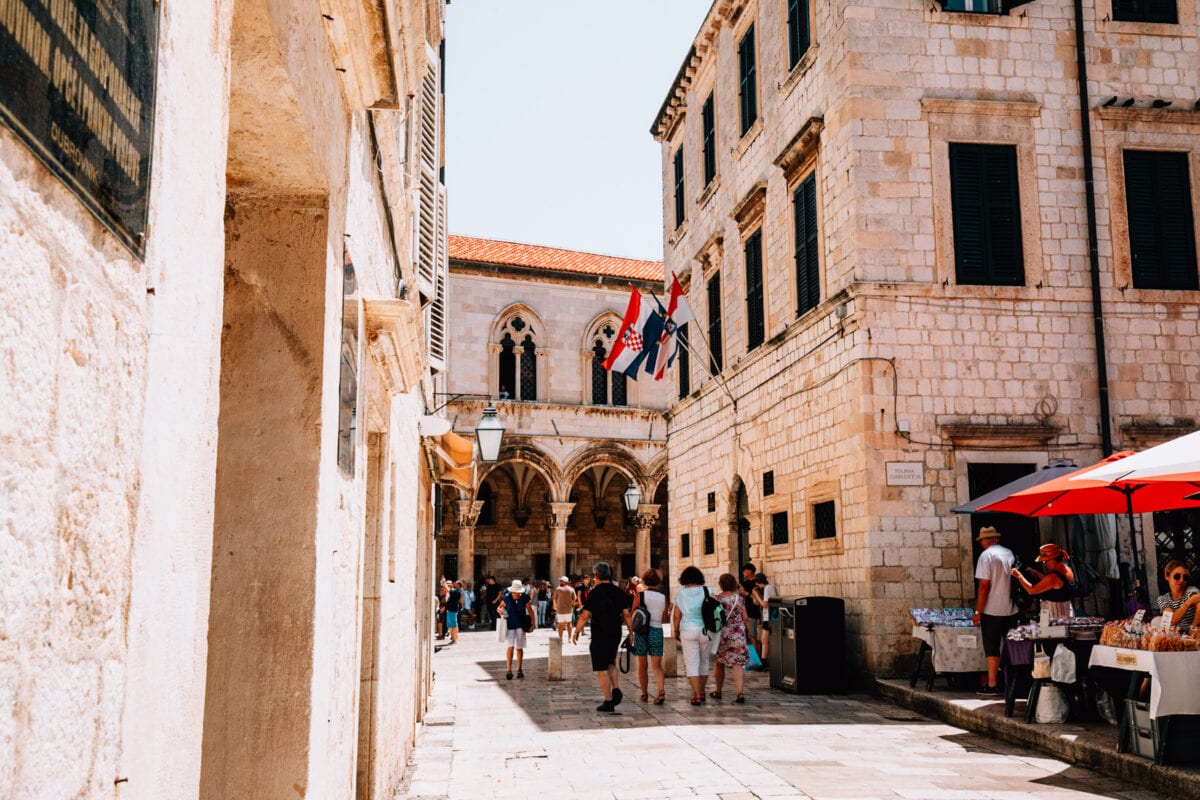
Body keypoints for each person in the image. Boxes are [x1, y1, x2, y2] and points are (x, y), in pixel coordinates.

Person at [572, 562, 632, 713]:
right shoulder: (619, 592)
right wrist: (631, 632)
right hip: (615, 633)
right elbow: (626, 614)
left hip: (599, 633)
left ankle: (608, 700)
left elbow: (585, 615)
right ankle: (616, 689)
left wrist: (577, 631)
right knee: (611, 661)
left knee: (601, 667)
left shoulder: (595, 593)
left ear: (596, 576)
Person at [972, 526, 1018, 697]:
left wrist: (978, 611)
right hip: (1011, 608)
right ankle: (1011, 683)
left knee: (992, 648)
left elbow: (984, 586)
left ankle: (992, 685)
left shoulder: (986, 556)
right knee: (1010, 646)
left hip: (992, 609)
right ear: (996, 539)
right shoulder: (1009, 553)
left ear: (985, 541)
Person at [672, 565, 711, 706]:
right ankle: (701, 691)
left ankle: (696, 695)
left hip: (688, 630)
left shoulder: (680, 594)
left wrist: (676, 631)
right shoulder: (707, 590)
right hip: (705, 630)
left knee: (691, 663)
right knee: (704, 662)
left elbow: (677, 616)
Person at [711, 573, 752, 704]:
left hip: (723, 634)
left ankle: (718, 691)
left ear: (720, 584)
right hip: (738, 634)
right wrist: (750, 631)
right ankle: (740, 693)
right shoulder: (739, 599)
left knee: (719, 662)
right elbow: (745, 618)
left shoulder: (716, 598)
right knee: (737, 664)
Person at [1011, 543, 1075, 619]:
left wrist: (1019, 576)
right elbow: (1055, 584)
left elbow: (1031, 590)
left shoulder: (1053, 577)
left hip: (1056, 614)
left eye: (1045, 561)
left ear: (1053, 559)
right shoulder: (1067, 569)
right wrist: (1036, 573)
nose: (1044, 564)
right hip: (1066, 609)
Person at [633, 569, 669, 704]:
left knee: (642, 666)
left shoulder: (640, 596)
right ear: (658, 582)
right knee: (657, 665)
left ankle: (644, 694)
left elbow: (633, 613)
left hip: (642, 632)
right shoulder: (663, 597)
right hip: (657, 630)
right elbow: (665, 618)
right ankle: (661, 690)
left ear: (645, 580)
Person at [497, 579, 534, 680]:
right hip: (510, 625)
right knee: (510, 646)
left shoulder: (524, 598)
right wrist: (500, 611)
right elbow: (499, 607)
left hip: (521, 625)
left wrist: (533, 624)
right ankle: (509, 670)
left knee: (519, 647)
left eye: (518, 593)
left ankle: (519, 669)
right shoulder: (507, 597)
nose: (517, 594)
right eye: (515, 592)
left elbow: (530, 611)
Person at [1156, 559, 1200, 633]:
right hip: (1173, 636)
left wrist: (1193, 629)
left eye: (1185, 577)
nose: (1181, 580)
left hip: (1191, 636)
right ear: (1167, 576)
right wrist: (1188, 602)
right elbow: (1172, 620)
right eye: (1177, 576)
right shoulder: (1163, 599)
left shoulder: (1191, 591)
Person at [750, 573, 775, 669]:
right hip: (767, 617)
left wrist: (756, 595)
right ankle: (763, 661)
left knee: (764, 640)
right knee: (764, 640)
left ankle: (763, 663)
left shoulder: (768, 588)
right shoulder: (769, 588)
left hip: (768, 617)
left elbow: (765, 604)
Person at [738, 563, 759, 655]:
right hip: (744, 611)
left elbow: (758, 598)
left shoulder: (757, 583)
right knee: (744, 635)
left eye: (744, 570)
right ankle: (746, 655)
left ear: (750, 571)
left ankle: (755, 657)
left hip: (753, 611)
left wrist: (747, 594)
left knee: (752, 634)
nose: (743, 572)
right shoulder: (744, 583)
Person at [553, 576, 577, 641]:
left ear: (564, 582)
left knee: (560, 624)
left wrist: (554, 606)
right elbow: (574, 599)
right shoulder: (571, 589)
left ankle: (560, 638)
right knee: (569, 623)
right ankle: (569, 638)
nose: (560, 582)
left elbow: (554, 598)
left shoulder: (558, 589)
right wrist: (571, 605)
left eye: (561, 581)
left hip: (560, 609)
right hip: (569, 609)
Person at [443, 580, 463, 644]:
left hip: (453, 610)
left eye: (456, 583)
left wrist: (444, 582)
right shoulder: (455, 591)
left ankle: (454, 639)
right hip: (451, 609)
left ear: (459, 585)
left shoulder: (457, 592)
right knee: (452, 625)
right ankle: (453, 637)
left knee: (454, 625)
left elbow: (448, 589)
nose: (454, 584)